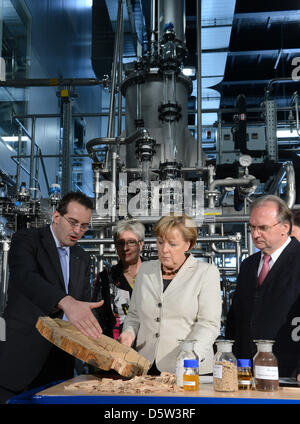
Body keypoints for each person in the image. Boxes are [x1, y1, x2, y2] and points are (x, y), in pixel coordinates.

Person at [0, 192, 103, 403]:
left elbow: (80, 305)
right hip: (21, 359)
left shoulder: (81, 257)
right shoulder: (27, 239)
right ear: (56, 217)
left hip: (59, 364)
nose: (77, 231)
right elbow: (25, 277)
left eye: (83, 226)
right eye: (73, 222)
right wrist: (66, 302)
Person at [119, 213, 222, 375]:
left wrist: (190, 355)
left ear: (188, 244)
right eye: (160, 242)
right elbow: (134, 315)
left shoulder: (206, 273)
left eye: (172, 244)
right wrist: (128, 333)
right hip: (145, 366)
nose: (164, 250)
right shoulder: (145, 270)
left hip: (189, 367)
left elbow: (209, 324)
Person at [226, 194, 300, 380]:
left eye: (263, 228)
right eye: (252, 227)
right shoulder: (249, 265)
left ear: (285, 227)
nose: (255, 234)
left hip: (289, 371)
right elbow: (236, 317)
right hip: (247, 370)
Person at [92, 219, 145, 339]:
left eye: (131, 242)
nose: (125, 248)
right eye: (120, 243)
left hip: (149, 350)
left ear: (141, 244)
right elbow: (98, 319)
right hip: (118, 349)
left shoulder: (155, 273)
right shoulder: (105, 278)